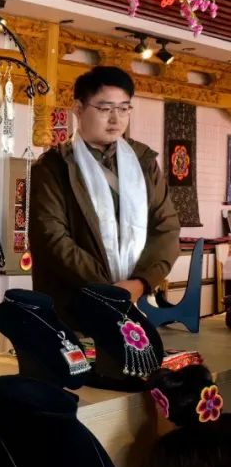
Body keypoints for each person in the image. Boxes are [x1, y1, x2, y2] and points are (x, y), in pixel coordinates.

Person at [29, 65, 180, 326]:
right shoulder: (54, 166)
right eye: (104, 109)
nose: (115, 119)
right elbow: (53, 239)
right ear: (78, 109)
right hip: (75, 306)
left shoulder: (143, 162)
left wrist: (140, 283)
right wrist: (112, 290)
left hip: (137, 300)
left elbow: (166, 227)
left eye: (124, 108)